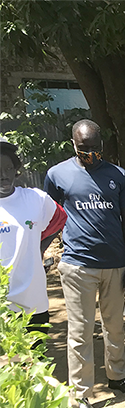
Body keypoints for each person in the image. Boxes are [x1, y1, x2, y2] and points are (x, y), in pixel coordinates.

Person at [45, 119, 125, 408]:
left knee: (114, 326)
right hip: (77, 266)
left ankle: (117, 376)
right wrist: (44, 252)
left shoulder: (118, 176)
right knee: (80, 332)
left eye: (95, 149)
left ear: (102, 146)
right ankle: (81, 394)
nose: (90, 154)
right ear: (73, 145)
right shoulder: (57, 175)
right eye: (83, 149)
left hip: (114, 265)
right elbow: (49, 216)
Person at [0, 137, 67, 337]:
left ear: (16, 170)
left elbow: (60, 218)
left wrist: (40, 247)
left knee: (36, 362)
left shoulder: (35, 199)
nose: (3, 176)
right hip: (3, 308)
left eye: (8, 169)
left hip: (33, 302)